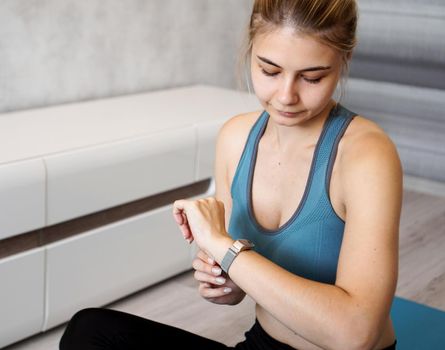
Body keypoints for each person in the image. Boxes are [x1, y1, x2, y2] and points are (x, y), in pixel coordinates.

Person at [59, 0, 402, 349]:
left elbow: (356, 335)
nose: (286, 96)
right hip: (261, 345)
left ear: (343, 61)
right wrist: (224, 280)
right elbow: (237, 283)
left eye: (312, 77)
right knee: (89, 331)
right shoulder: (236, 139)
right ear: (251, 49)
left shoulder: (367, 154)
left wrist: (227, 250)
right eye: (269, 71)